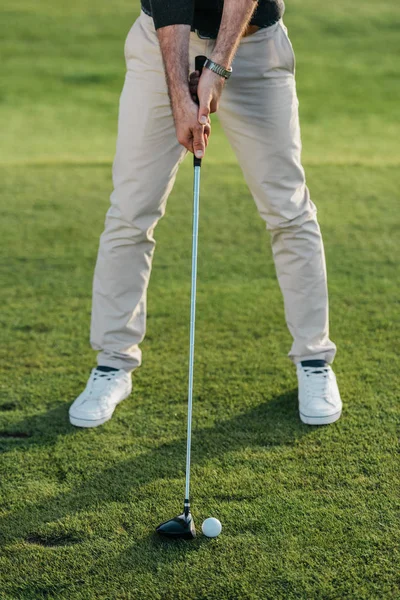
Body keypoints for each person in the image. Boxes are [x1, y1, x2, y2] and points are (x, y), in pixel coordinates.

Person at [69, 0, 342, 429]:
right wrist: (180, 92)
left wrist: (218, 67)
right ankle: (113, 363)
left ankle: (313, 359)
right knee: (130, 210)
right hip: (160, 43)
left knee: (288, 211)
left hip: (254, 43)